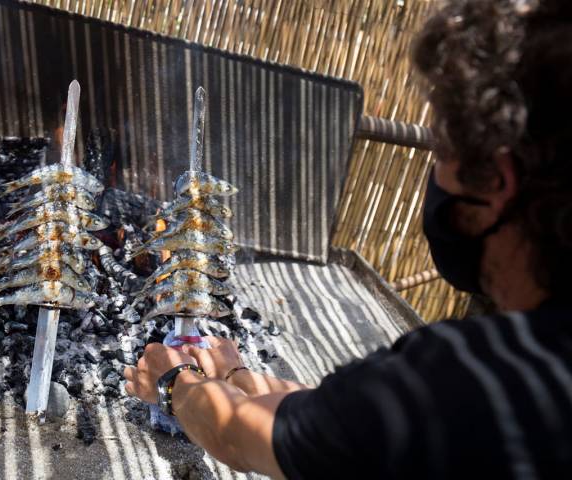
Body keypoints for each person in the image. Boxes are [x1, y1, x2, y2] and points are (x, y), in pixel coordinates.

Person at [124, 0, 572, 477]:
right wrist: (237, 376)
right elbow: (346, 422)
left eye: (441, 151)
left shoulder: (479, 378)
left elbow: (241, 437)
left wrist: (174, 384)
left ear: (495, 182)